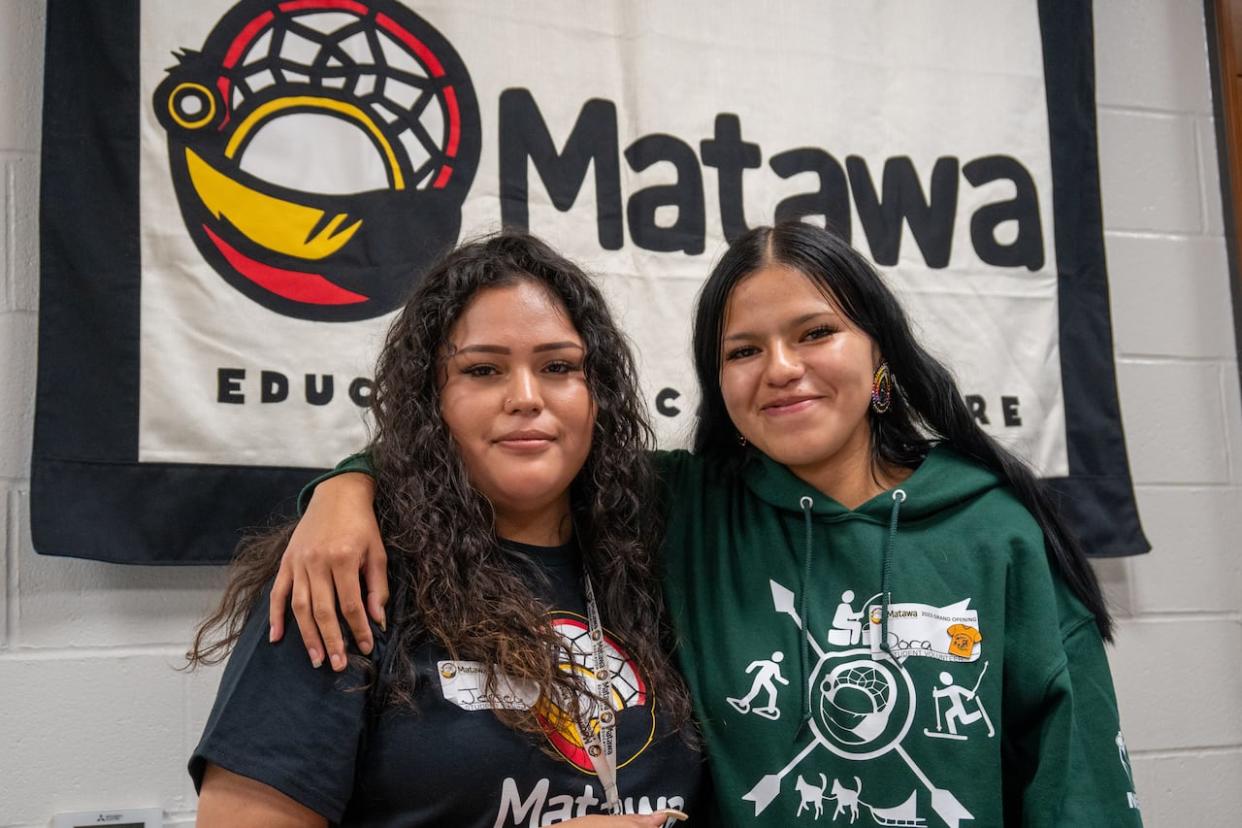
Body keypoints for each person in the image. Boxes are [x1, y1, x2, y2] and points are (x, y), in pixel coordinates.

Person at [276, 222, 1143, 826]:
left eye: (816, 334)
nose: (782, 370)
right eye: (742, 351)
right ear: (718, 383)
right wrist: (347, 487)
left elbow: (1081, 790)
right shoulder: (682, 507)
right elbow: (517, 443)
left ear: (879, 356)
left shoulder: (997, 532)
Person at [186, 234, 701, 827]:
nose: (526, 398)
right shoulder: (345, 574)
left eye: (558, 367)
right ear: (433, 402)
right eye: (483, 370)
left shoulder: (654, 555)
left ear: (598, 395)